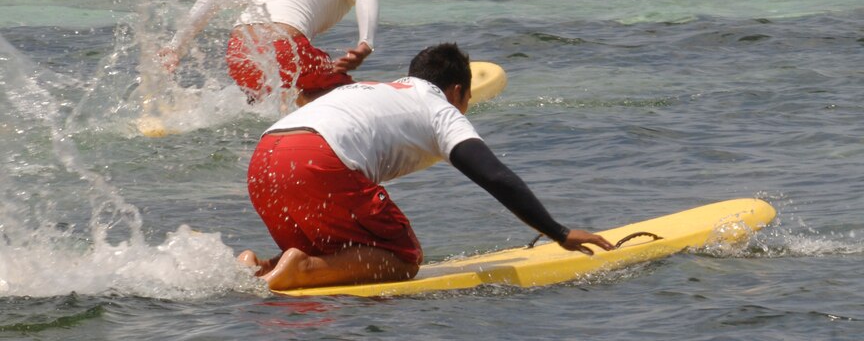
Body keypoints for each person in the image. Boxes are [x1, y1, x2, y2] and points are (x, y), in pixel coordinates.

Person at [237, 43, 613, 290]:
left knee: (342, 250)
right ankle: (299, 270)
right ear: (457, 92)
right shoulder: (441, 109)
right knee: (402, 257)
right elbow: (494, 176)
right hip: (318, 157)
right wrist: (559, 232)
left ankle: (260, 266)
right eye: (466, 100)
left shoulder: (374, 88)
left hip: (265, 157)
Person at [159, 0, 378, 105]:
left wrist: (176, 47)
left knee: (278, 101)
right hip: (284, 49)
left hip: (239, 54)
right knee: (347, 96)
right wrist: (365, 44)